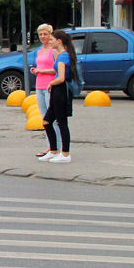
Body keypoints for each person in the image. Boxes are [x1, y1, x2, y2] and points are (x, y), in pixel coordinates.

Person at [38, 28, 79, 164]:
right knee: (47, 121)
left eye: (51, 40)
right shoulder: (64, 55)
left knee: (62, 122)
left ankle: (65, 154)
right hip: (58, 90)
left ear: (59, 41)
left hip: (60, 90)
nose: (49, 42)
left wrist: (51, 83)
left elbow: (61, 78)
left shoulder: (63, 56)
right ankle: (53, 150)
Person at [29, 23, 55, 156]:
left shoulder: (53, 50)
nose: (43, 36)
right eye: (40, 34)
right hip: (39, 86)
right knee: (44, 118)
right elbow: (41, 67)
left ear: (51, 34)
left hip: (50, 86)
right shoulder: (40, 50)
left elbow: (57, 69)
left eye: (45, 34)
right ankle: (49, 146)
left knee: (52, 119)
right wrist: (36, 71)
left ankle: (57, 147)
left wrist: (42, 70)